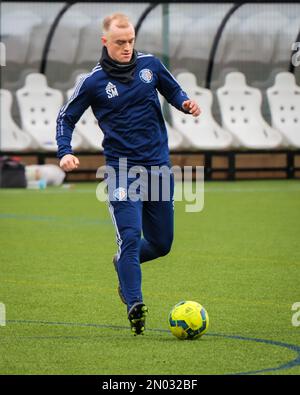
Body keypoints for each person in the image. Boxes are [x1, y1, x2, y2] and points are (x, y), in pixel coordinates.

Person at [56, 13, 201, 335]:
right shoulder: (92, 82)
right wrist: (65, 151)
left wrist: (186, 103)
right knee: (131, 237)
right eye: (120, 42)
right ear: (105, 41)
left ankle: (122, 263)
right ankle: (135, 304)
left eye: (131, 41)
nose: (127, 47)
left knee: (162, 244)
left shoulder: (150, 66)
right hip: (122, 172)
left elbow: (174, 91)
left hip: (159, 169)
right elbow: (66, 118)